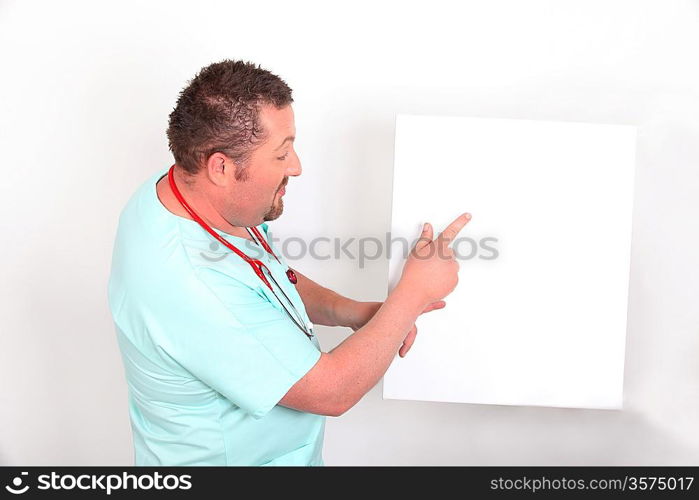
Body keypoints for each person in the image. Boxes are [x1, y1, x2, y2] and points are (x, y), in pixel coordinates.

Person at [107, 59, 471, 466]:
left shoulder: (190, 191)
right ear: (221, 167)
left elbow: (265, 274)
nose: (296, 167)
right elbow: (331, 392)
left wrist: (349, 311)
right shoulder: (191, 285)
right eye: (281, 155)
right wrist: (414, 293)